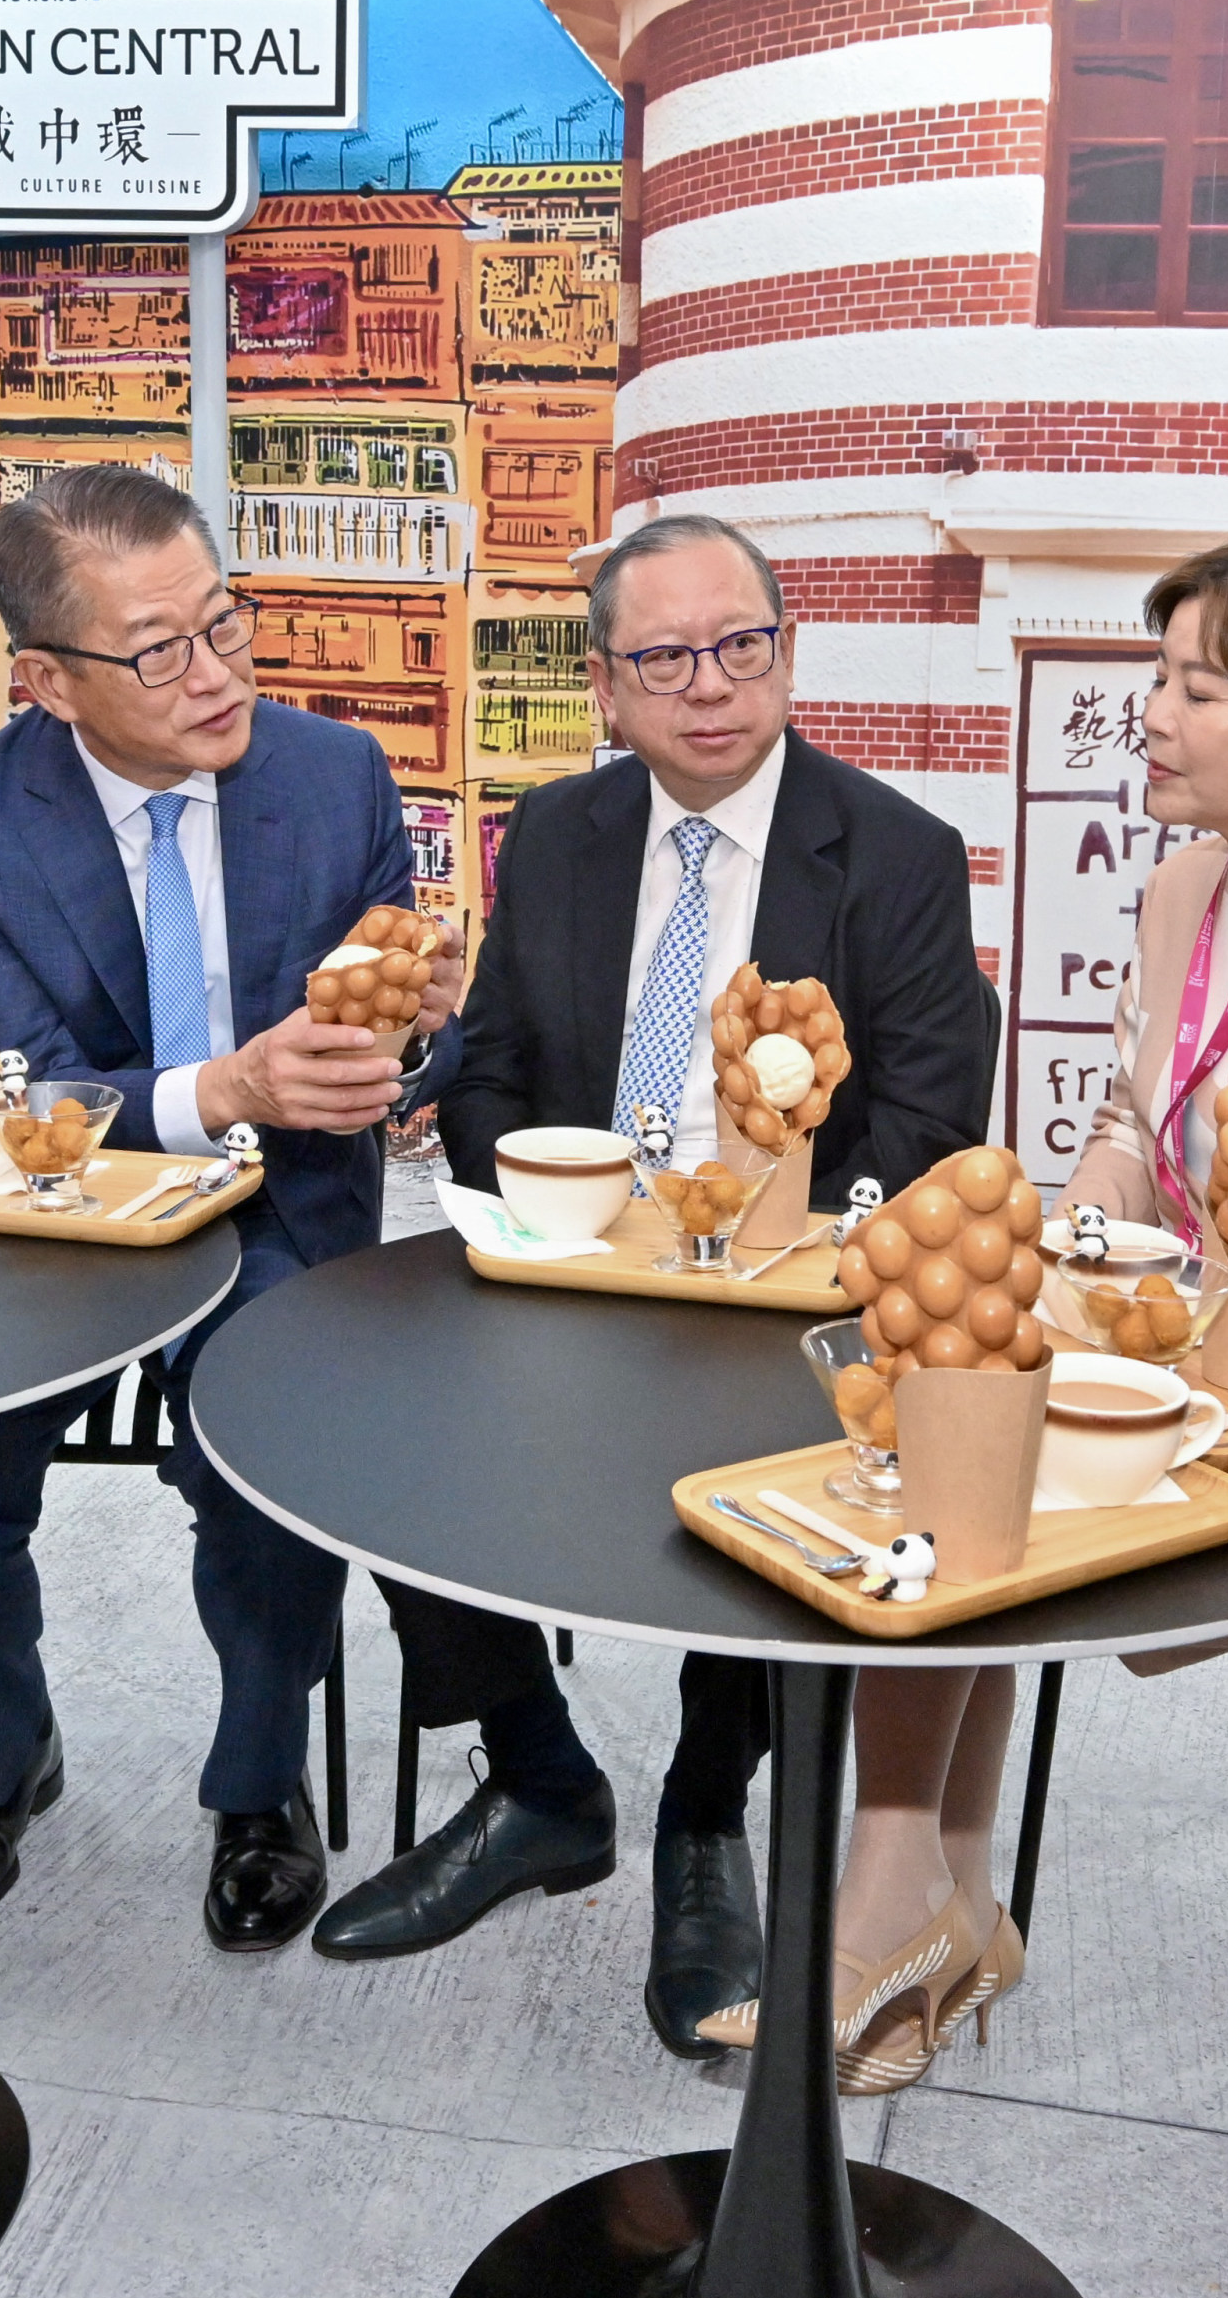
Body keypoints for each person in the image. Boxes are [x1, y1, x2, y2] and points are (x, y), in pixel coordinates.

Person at [704, 530, 1228, 2089]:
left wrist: (1085, 1321)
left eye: (1197, 687)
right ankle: (926, 1906)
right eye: (1158, 675)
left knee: (950, 1467)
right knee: (951, 1412)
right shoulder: (1185, 887)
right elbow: (1132, 1131)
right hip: (1190, 1357)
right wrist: (1062, 1250)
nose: (1147, 711)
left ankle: (893, 1920)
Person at [318, 513, 995, 2051]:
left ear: (786, 655)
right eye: (664, 658)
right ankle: (541, 1778)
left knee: (776, 1474)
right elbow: (490, 1064)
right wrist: (541, 1194)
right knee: (373, 1439)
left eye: (739, 646)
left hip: (780, 1284)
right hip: (575, 1264)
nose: (709, 686)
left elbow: (931, 1127)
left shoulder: (892, 854)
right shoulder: (555, 832)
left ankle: (706, 1813)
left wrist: (782, 1250)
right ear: (605, 687)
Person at [0, 464, 459, 1949]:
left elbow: (397, 1043)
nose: (213, 675)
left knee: (265, 1468)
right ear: (44, 681)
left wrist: (417, 1031)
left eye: (223, 622)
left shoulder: (334, 776)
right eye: (158, 652)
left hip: (275, 1215)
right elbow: (37, 1097)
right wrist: (230, 1087)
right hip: (48, 1215)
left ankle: (258, 1789)